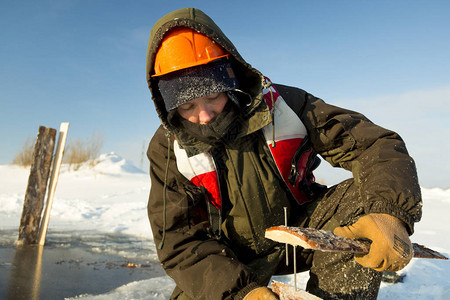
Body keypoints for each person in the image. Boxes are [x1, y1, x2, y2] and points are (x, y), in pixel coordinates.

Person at [145, 7, 422, 300]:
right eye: (187, 106)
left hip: (302, 235)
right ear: (169, 106)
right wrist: (241, 293)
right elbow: (180, 242)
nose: (204, 115)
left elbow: (374, 145)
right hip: (229, 258)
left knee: (360, 199)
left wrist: (389, 212)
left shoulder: (284, 104)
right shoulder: (166, 148)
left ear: (231, 81)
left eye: (212, 96)